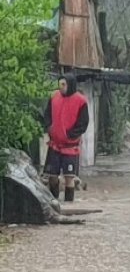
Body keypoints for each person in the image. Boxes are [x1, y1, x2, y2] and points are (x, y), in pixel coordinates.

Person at [43, 73, 89, 202]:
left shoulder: (81, 101)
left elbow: (83, 123)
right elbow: (47, 115)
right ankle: (53, 202)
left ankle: (69, 204)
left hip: (70, 147)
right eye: (60, 84)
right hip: (54, 145)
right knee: (52, 176)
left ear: (70, 85)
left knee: (69, 178)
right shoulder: (53, 96)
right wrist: (49, 128)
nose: (61, 87)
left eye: (63, 84)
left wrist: (70, 134)